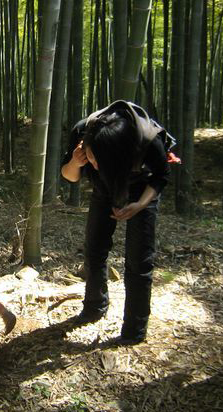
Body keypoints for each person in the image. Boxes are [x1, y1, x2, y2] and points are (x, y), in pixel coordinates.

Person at [61, 100, 171, 345]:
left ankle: (135, 329)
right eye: (93, 158)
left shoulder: (148, 139)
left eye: (102, 162)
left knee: (138, 260)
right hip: (103, 191)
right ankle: (94, 306)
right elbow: (69, 177)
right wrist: (77, 163)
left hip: (141, 189)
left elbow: (162, 176)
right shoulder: (82, 132)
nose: (96, 164)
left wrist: (140, 205)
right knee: (94, 250)